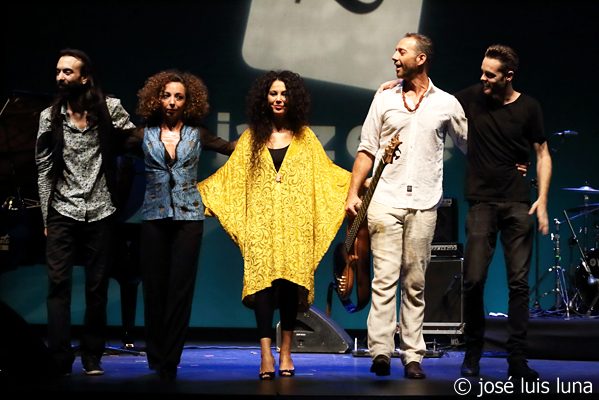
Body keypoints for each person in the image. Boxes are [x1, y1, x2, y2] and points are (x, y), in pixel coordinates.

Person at [198, 70, 350, 380]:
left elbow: (328, 176)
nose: (279, 99)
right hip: (261, 225)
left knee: (290, 288)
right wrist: (194, 195)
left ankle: (286, 352)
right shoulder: (251, 139)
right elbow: (229, 179)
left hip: (295, 226)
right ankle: (266, 353)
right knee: (263, 287)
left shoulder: (305, 138)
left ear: (293, 99)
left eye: (284, 94)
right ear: (264, 99)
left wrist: (360, 185)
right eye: (273, 93)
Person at [345, 33, 468, 379]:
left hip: (424, 203)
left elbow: (470, 144)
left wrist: (505, 162)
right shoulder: (384, 98)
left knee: (415, 282)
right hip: (385, 199)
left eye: (401, 51)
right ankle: (381, 351)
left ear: (421, 58)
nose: (394, 56)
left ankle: (413, 355)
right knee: (384, 279)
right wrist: (353, 193)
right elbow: (366, 149)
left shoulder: (446, 103)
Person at [35, 48, 137, 376]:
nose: (60, 77)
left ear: (84, 78)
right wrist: (46, 217)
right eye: (58, 71)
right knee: (58, 285)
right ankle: (59, 357)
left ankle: (92, 355)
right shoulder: (49, 117)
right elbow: (43, 168)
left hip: (101, 209)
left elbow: (134, 141)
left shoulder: (110, 108)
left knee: (97, 286)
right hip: (62, 209)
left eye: (68, 72)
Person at [455, 44, 551, 380]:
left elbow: (542, 153)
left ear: (508, 76)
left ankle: (517, 360)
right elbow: (432, 99)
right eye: (482, 72)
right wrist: (397, 86)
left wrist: (543, 200)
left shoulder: (529, 107)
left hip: (517, 203)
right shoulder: (472, 97)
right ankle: (473, 353)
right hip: (481, 202)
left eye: (490, 74)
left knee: (519, 283)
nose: (483, 78)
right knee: (473, 280)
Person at [135, 69, 235, 381]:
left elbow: (232, 149)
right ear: (156, 99)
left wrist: (263, 135)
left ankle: (171, 359)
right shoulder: (142, 134)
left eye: (178, 97)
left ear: (187, 102)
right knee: (154, 288)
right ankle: (156, 354)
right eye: (166, 95)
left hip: (188, 217)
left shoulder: (198, 134)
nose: (172, 102)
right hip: (153, 216)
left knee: (180, 289)